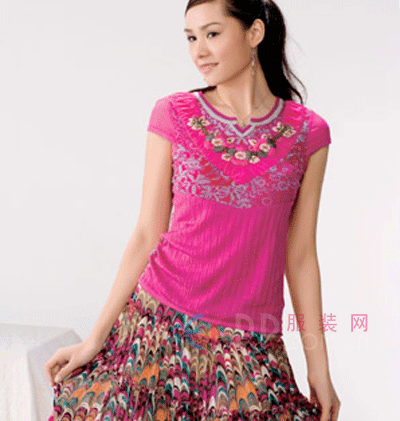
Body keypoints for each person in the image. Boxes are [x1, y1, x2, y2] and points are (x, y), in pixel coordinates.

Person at [44, 0, 341, 420]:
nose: (199, 51)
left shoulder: (307, 133)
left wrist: (318, 368)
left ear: (254, 33)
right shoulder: (174, 114)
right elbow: (147, 233)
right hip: (155, 328)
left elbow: (301, 255)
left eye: (212, 34)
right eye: (191, 38)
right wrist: (95, 339)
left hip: (249, 343)